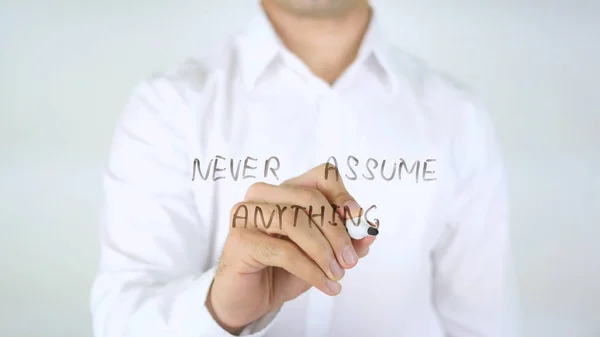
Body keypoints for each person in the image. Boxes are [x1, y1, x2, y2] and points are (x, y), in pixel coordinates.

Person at [90, 0, 518, 336]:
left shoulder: (459, 118)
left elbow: (484, 325)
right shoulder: (168, 107)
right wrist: (221, 309)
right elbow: (122, 320)